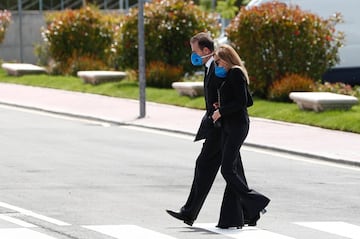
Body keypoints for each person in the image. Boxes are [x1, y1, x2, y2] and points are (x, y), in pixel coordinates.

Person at [165, 32, 224, 226]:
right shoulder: (209, 68)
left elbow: (229, 92)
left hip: (221, 128)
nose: (193, 55)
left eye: (195, 51)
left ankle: (189, 212)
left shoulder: (217, 67)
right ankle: (254, 207)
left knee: (204, 166)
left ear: (206, 50)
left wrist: (219, 110)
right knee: (233, 172)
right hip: (216, 127)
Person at [211, 44, 270, 229]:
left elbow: (243, 102)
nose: (217, 66)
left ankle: (256, 201)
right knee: (232, 170)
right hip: (232, 126)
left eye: (218, 62)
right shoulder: (234, 74)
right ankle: (235, 217)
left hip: (237, 127)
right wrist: (221, 105)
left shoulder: (236, 72)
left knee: (227, 169)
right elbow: (248, 100)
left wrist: (222, 111)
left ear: (227, 59)